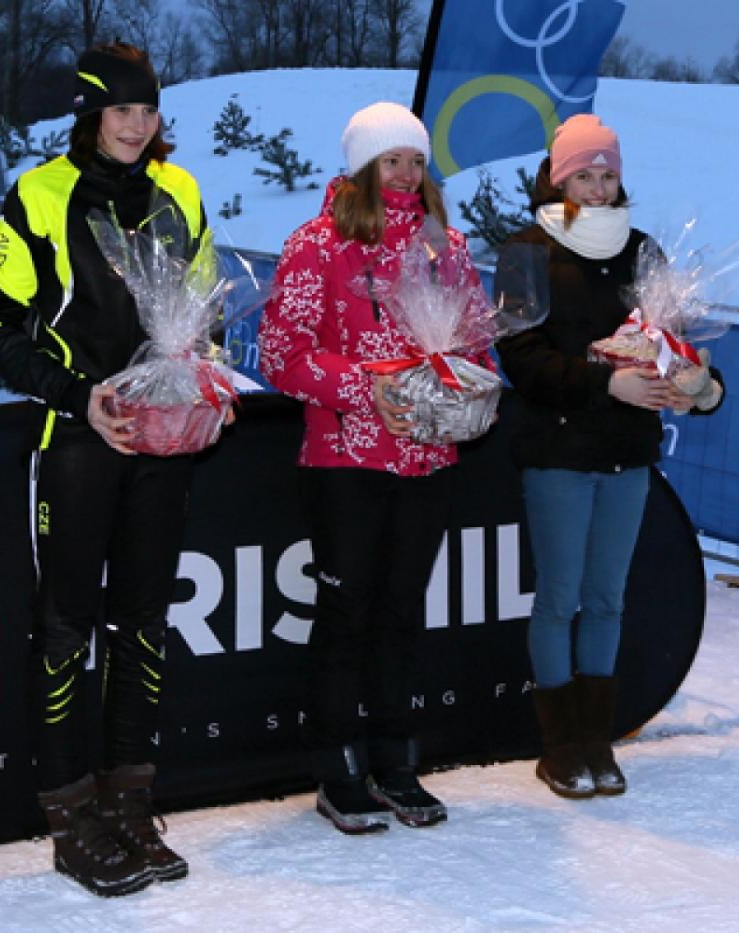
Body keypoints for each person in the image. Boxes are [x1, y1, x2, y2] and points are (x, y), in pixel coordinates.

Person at [0, 42, 216, 897]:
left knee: (143, 620)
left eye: (147, 113)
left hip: (163, 439)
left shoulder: (180, 190)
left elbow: (203, 302)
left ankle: (130, 799)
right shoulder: (39, 194)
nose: (136, 127)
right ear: (88, 114)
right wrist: (81, 400)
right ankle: (71, 814)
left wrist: (202, 378)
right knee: (67, 625)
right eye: (120, 112)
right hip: (77, 440)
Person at [259, 102, 489, 834]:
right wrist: (369, 388)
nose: (406, 174)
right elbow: (281, 355)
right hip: (345, 460)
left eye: (416, 161)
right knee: (346, 615)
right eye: (392, 160)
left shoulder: (445, 247)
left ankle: (395, 760)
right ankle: (335, 765)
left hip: (428, 459)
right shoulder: (318, 244)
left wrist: (465, 385)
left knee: (401, 613)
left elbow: (479, 344)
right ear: (361, 167)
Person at [495, 114, 723, 800]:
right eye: (583, 175)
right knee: (560, 596)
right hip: (559, 450)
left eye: (608, 175)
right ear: (557, 179)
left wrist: (695, 385)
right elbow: (522, 360)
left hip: (628, 452)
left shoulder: (644, 251)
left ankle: (597, 739)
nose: (597, 189)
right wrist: (606, 380)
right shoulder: (526, 250)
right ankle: (560, 743)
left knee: (607, 599)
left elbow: (668, 344)